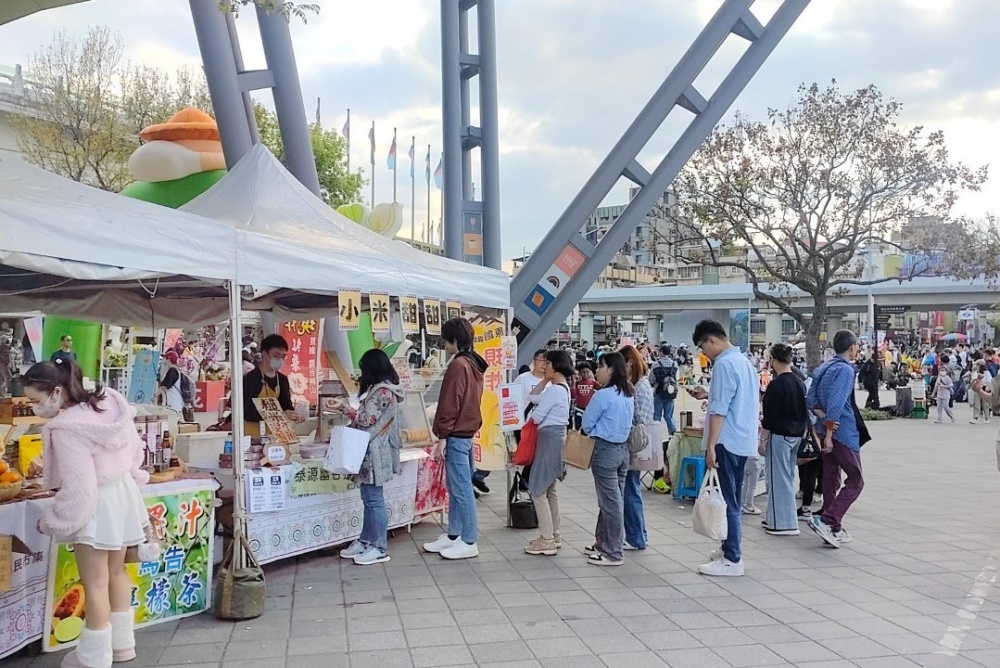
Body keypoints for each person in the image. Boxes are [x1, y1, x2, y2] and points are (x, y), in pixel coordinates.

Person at [23, 360, 149, 668]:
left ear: (56, 391)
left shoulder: (67, 428)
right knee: (117, 573)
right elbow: (136, 453)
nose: (34, 407)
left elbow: (80, 487)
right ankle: (121, 647)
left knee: (94, 582)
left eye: (36, 401)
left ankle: (93, 657)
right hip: (122, 496)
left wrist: (53, 520)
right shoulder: (109, 408)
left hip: (96, 505)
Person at [689, 319, 758, 577]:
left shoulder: (724, 365)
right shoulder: (744, 362)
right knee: (732, 498)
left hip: (726, 441)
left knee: (727, 501)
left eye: (701, 346)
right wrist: (708, 393)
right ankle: (728, 548)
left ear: (711, 340)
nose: (702, 352)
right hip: (742, 439)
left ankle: (732, 558)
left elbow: (719, 410)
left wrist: (711, 446)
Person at [424, 318, 487, 560]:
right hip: (466, 433)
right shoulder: (473, 364)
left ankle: (469, 539)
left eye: (445, 340)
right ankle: (455, 535)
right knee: (458, 487)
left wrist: (442, 435)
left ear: (453, 340)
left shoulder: (458, 365)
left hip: (456, 434)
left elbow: (450, 403)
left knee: (461, 489)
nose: (444, 344)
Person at [336, 350, 405, 565]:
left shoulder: (382, 392)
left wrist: (344, 408)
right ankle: (367, 540)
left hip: (374, 452)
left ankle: (379, 546)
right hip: (371, 450)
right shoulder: (384, 389)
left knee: (374, 500)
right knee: (369, 498)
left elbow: (366, 419)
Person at [806, 330, 870, 549]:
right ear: (851, 347)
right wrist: (830, 432)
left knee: (831, 478)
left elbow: (811, 399)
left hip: (825, 430)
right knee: (856, 479)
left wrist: (823, 422)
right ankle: (828, 520)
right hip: (841, 432)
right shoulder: (845, 370)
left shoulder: (824, 367)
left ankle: (833, 524)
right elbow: (837, 402)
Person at [581, 352, 634, 566]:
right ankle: (602, 543)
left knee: (610, 503)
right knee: (613, 499)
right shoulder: (628, 393)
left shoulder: (603, 395)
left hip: (604, 450)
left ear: (610, 370)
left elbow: (586, 424)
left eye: (600, 367)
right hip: (623, 450)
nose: (596, 371)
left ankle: (613, 551)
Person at [523, 350, 573, 556]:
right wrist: (544, 381)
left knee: (537, 490)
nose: (545, 366)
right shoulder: (561, 388)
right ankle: (554, 534)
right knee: (549, 489)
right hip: (556, 439)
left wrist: (534, 415)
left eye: (548, 363)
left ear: (556, 365)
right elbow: (532, 396)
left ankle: (546, 539)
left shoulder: (556, 391)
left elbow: (537, 415)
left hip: (549, 440)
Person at [760, 343, 808, 536]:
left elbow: (769, 418)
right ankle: (780, 519)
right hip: (796, 435)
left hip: (779, 435)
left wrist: (762, 439)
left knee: (777, 479)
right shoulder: (799, 382)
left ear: (773, 360)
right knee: (787, 477)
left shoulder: (776, 385)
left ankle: (781, 523)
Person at [621, 344, 653, 551]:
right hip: (639, 444)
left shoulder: (638, 387)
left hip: (634, 444)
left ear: (630, 363)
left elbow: (639, 417)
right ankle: (638, 535)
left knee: (630, 491)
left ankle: (635, 538)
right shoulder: (641, 384)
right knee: (631, 490)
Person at [242, 334, 300, 437]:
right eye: (276, 356)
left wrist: (294, 414)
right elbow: (247, 412)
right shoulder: (250, 379)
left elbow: (286, 406)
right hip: (251, 435)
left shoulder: (282, 380)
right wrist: (279, 415)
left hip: (276, 435)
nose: (280, 360)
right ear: (265, 354)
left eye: (283, 357)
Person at [649, 345, 679, 434]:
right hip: (671, 392)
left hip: (659, 392)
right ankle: (673, 432)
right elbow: (676, 378)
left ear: (661, 352)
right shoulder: (675, 364)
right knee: (669, 415)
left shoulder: (656, 364)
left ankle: (656, 433)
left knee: (657, 415)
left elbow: (651, 380)